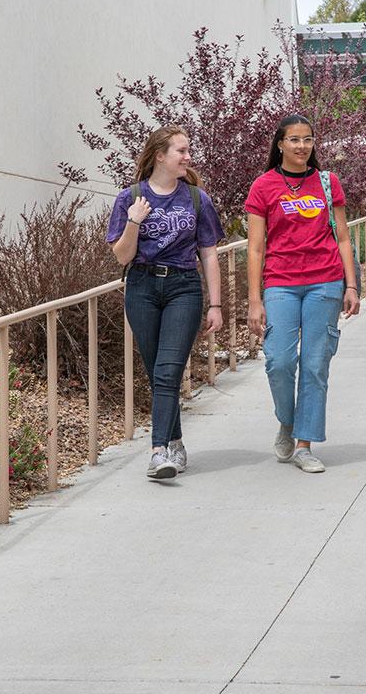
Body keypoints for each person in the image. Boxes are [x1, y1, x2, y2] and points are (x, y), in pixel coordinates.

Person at [107, 125, 225, 480]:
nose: (188, 157)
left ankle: (158, 451)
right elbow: (121, 256)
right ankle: (175, 440)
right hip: (142, 286)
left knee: (169, 368)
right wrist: (134, 222)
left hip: (183, 288)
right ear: (159, 155)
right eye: (181, 151)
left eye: (188, 151)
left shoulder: (196, 199)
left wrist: (215, 304)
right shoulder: (130, 197)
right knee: (157, 371)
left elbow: (209, 253)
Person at [245, 114, 360, 474]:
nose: (302, 146)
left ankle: (305, 444)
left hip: (325, 283)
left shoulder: (327, 182)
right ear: (280, 144)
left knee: (314, 364)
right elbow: (255, 249)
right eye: (294, 140)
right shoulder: (263, 186)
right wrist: (254, 299)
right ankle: (288, 421)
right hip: (280, 283)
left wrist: (351, 285)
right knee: (278, 361)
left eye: (308, 139)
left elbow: (342, 237)